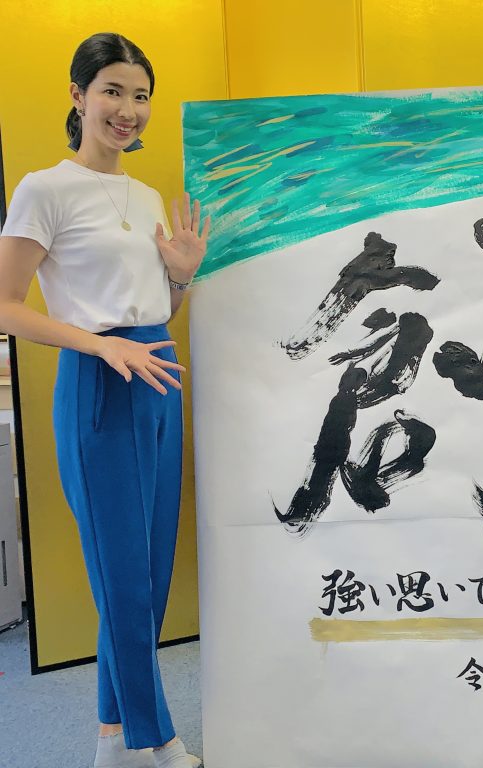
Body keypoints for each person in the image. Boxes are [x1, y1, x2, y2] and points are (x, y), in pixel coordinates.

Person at [0, 33, 207, 768]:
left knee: (147, 570)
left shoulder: (146, 197)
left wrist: (181, 275)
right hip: (99, 382)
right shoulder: (44, 189)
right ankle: (159, 738)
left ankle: (111, 739)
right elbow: (7, 306)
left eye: (140, 96)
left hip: (158, 373)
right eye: (113, 91)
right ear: (78, 95)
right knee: (121, 573)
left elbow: (159, 311)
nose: (128, 110)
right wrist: (99, 346)